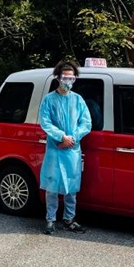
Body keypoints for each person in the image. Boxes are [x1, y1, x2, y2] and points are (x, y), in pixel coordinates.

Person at [39, 60, 92, 235]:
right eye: (65, 77)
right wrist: (61, 137)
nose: (68, 81)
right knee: (52, 187)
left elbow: (86, 123)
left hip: (71, 150)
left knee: (71, 187)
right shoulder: (48, 100)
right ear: (58, 78)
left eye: (71, 78)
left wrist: (72, 139)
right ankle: (50, 219)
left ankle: (69, 219)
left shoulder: (78, 100)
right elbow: (45, 123)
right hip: (55, 149)